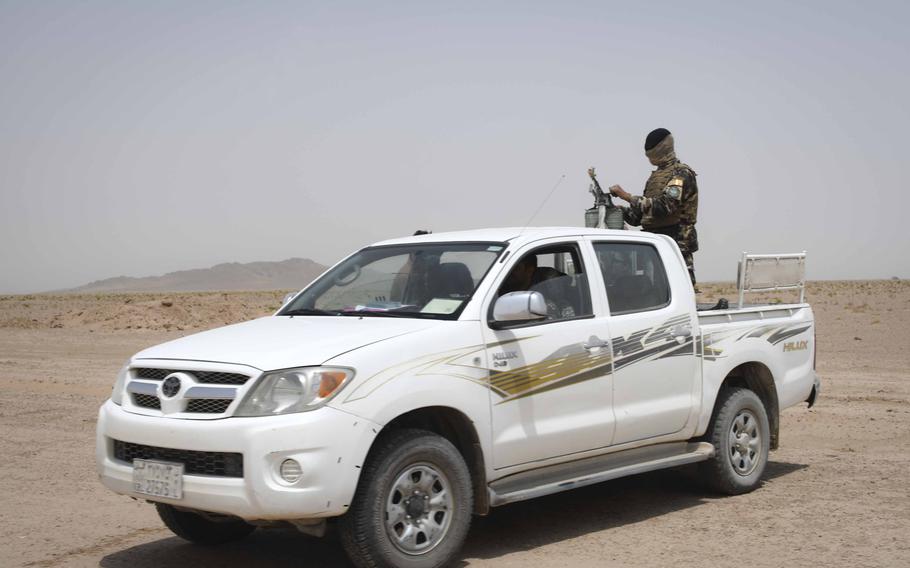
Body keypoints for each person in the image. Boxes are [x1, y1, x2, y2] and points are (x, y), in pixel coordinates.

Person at [609, 128, 700, 288]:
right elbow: (638, 218)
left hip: (676, 241)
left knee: (679, 288)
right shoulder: (655, 177)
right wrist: (618, 211)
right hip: (655, 244)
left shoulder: (681, 174)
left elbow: (664, 207)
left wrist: (627, 196)